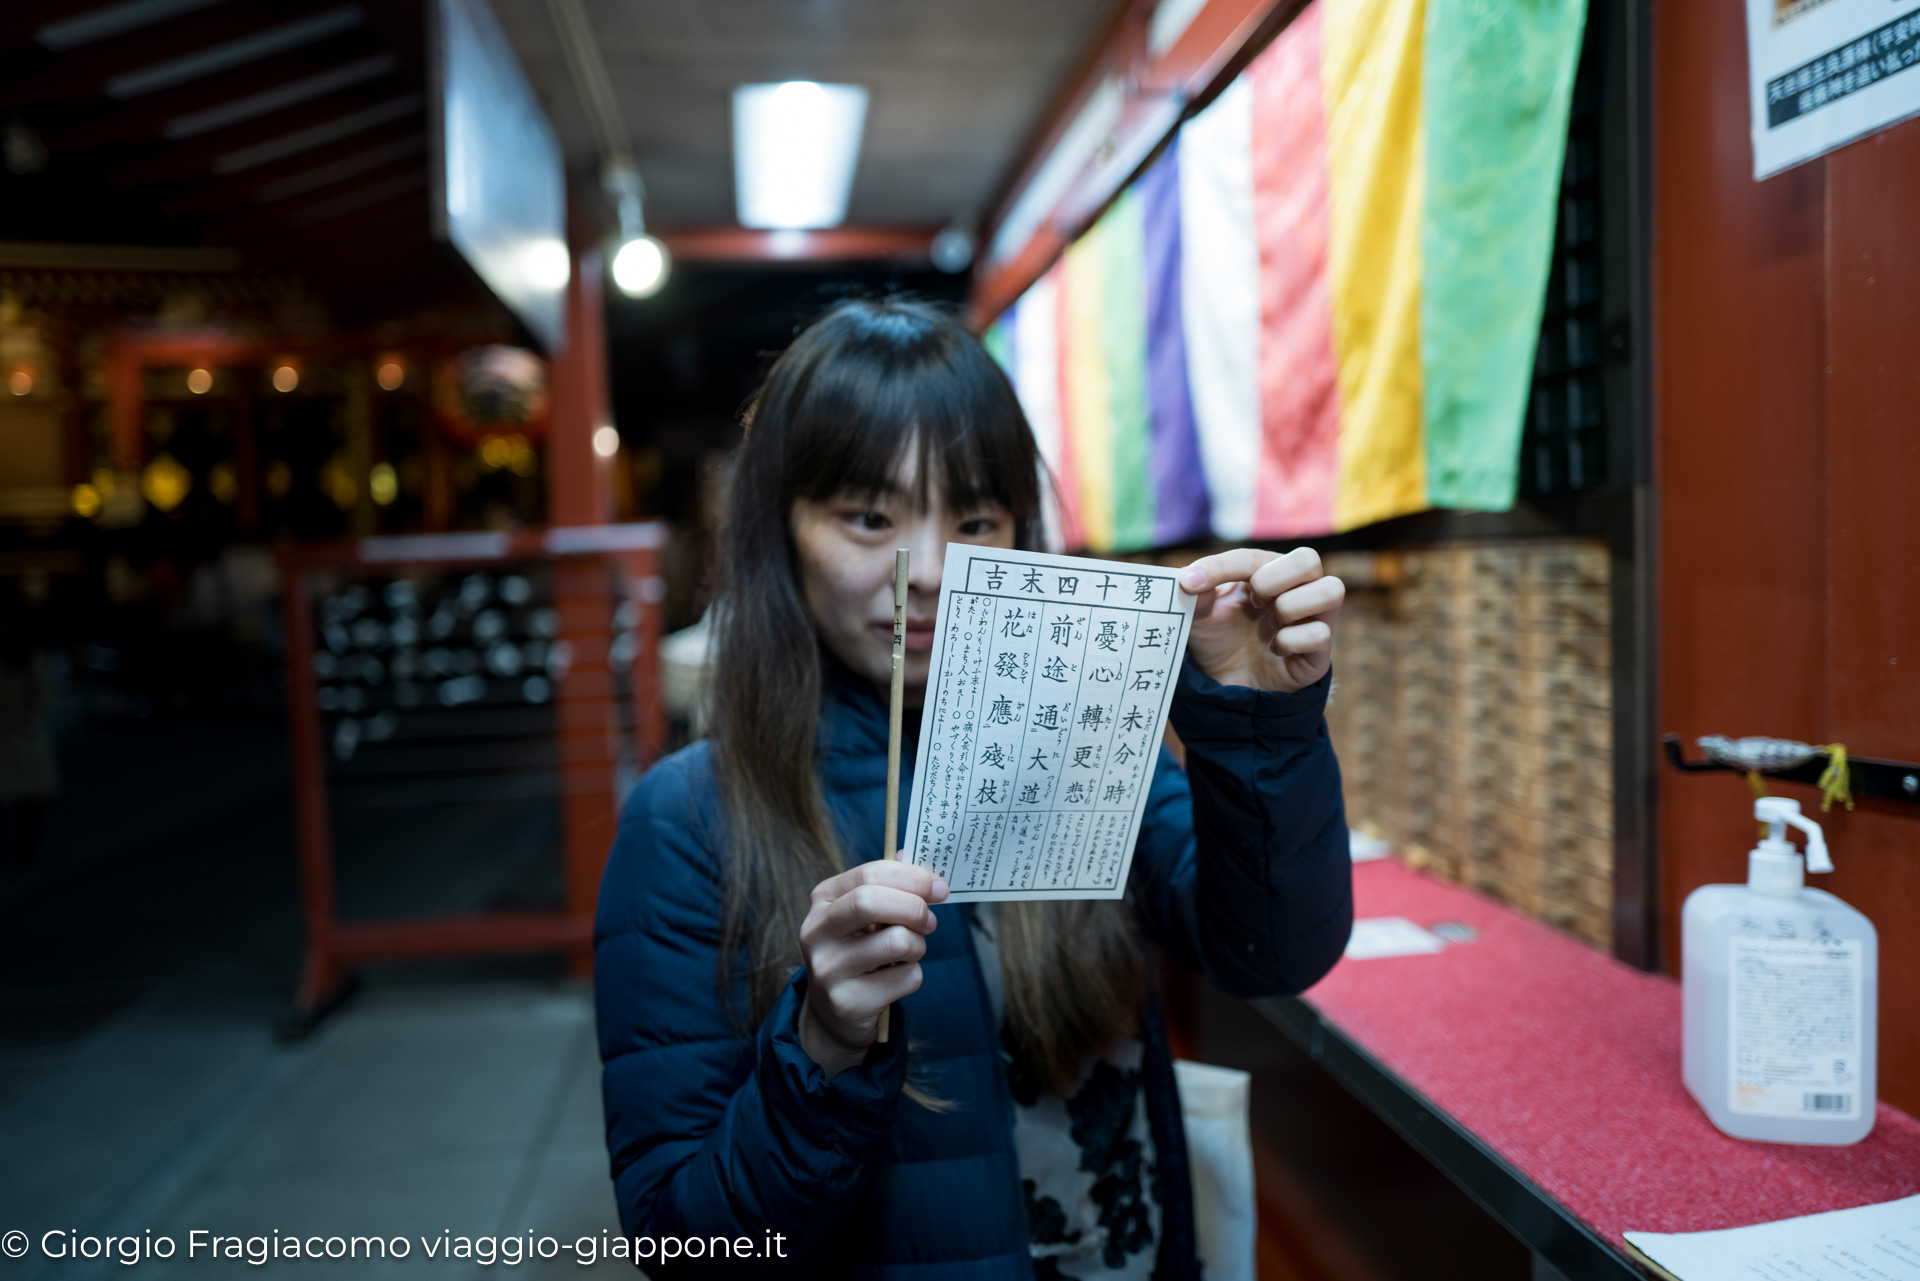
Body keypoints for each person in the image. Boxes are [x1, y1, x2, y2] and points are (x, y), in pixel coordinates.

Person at [594, 298, 1351, 1279]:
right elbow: (686, 1246)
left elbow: (1270, 952)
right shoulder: (687, 819)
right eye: (869, 517)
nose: (934, 571)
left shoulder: (1082, 734)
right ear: (781, 528)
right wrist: (821, 1044)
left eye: (976, 518)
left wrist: (1259, 725)